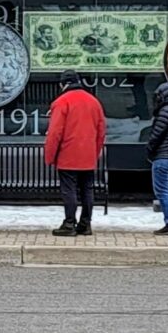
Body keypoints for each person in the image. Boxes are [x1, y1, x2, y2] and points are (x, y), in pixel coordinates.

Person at [44, 81, 106, 236]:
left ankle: (69, 223)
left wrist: (50, 156)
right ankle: (86, 224)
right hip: (88, 155)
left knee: (69, 190)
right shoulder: (94, 102)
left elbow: (55, 133)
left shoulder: (62, 102)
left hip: (68, 154)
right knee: (87, 189)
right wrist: (95, 152)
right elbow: (101, 132)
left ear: (62, 84)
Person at [141, 82, 168, 235]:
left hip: (163, 156)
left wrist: (149, 150)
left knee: (162, 192)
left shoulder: (165, 112)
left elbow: (156, 135)